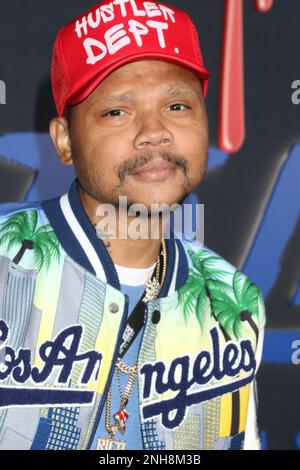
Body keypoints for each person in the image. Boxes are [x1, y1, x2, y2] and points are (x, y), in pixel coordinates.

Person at [0, 0, 265, 451]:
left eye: (177, 104)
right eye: (117, 112)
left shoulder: (234, 302)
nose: (154, 131)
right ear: (64, 140)